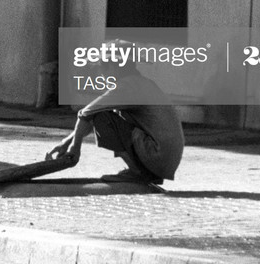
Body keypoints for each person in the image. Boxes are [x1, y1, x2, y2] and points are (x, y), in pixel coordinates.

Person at [47, 40, 185, 185]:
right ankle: (145, 172)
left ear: (113, 66)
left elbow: (86, 114)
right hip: (164, 159)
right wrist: (66, 142)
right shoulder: (141, 83)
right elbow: (89, 117)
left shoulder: (127, 86)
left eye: (102, 66)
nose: (101, 72)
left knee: (103, 117)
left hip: (157, 154)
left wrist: (75, 147)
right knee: (102, 113)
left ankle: (137, 172)